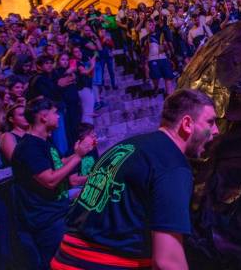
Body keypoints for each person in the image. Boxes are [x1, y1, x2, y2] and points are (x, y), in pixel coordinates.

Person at [53, 89, 218, 270]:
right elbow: (168, 261)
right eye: (210, 122)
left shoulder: (127, 146)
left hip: (65, 258)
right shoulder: (172, 166)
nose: (216, 130)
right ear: (187, 123)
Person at [11, 98, 96, 269]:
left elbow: (58, 164)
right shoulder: (29, 147)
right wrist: (79, 156)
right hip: (47, 221)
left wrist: (80, 152)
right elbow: (50, 180)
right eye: (55, 113)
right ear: (43, 117)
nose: (58, 117)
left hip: (58, 213)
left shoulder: (43, 142)